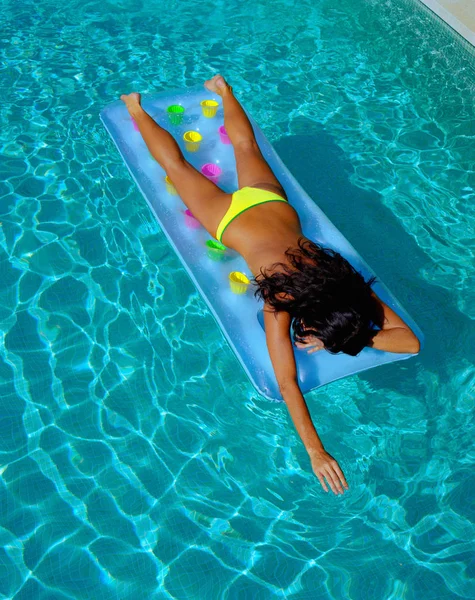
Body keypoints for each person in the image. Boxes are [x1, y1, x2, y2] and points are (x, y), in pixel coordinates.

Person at [120, 75, 420, 496]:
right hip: (228, 220)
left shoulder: (344, 279)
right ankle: (135, 108)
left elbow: (410, 344)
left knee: (245, 149)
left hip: (271, 202)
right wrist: (316, 451)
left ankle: (222, 91)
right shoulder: (279, 299)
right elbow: (287, 383)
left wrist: (346, 331)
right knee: (176, 167)